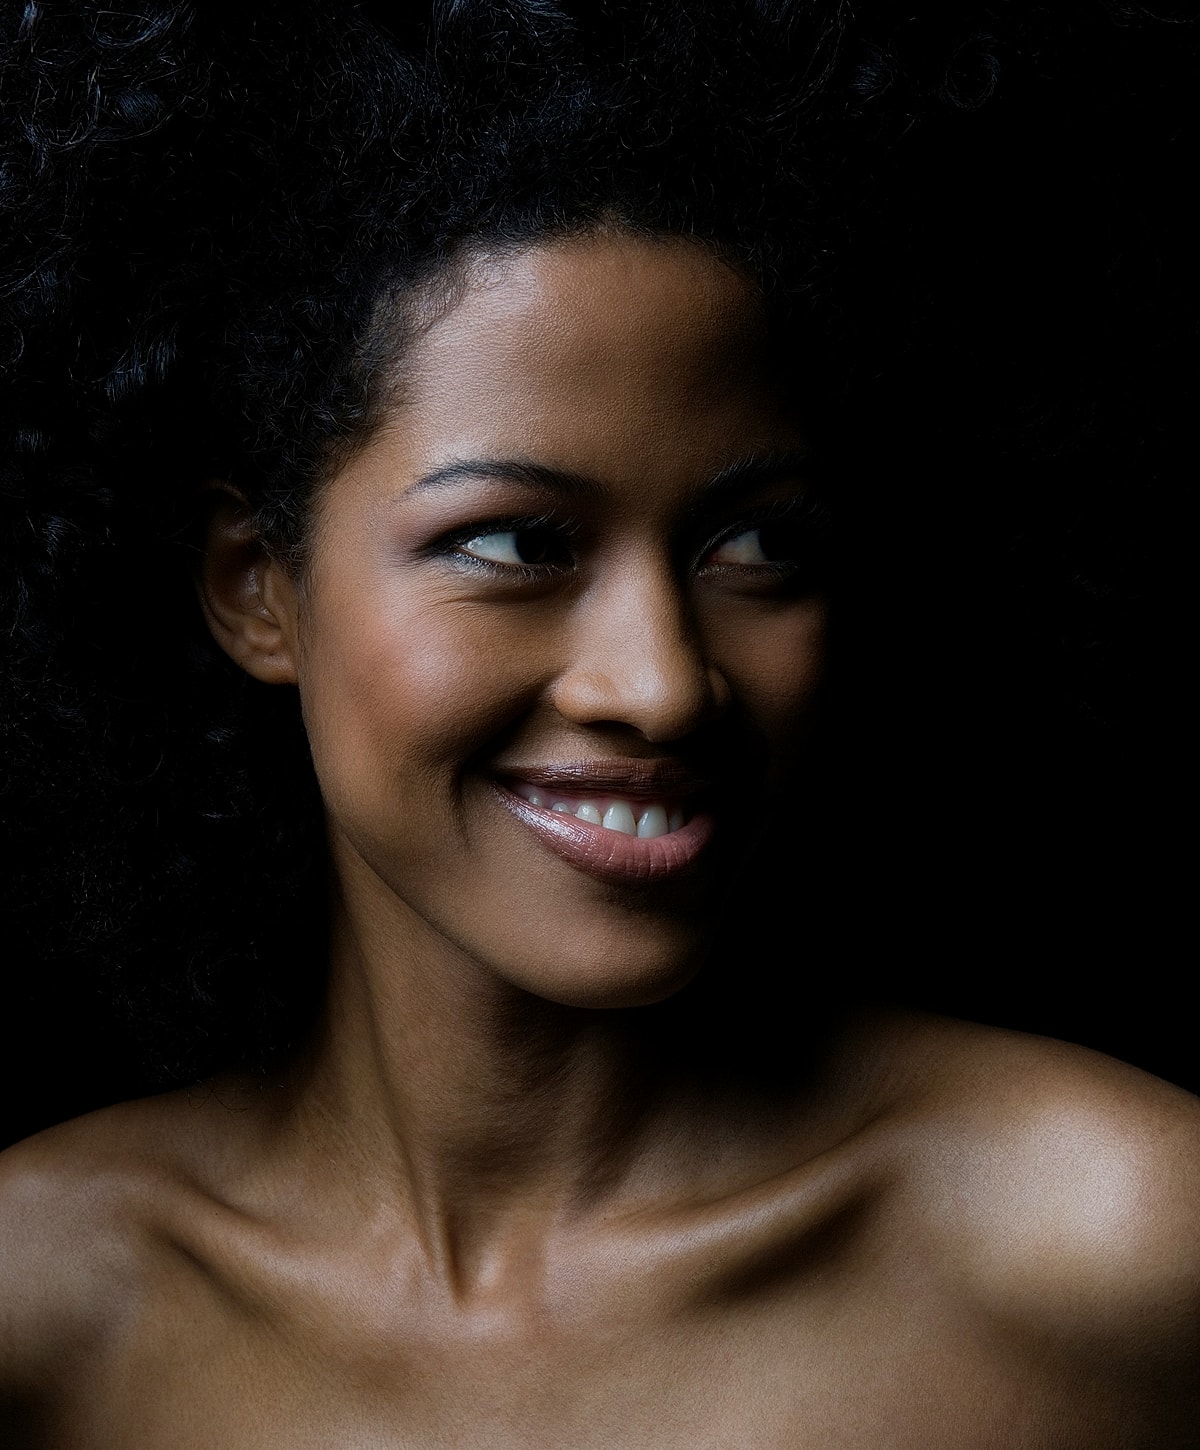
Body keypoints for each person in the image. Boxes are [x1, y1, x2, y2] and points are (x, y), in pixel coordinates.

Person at [1, 2, 1196, 1444]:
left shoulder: (1109, 1244)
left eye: (755, 545)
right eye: (515, 544)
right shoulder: (48, 1308)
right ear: (258, 589)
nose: (664, 681)